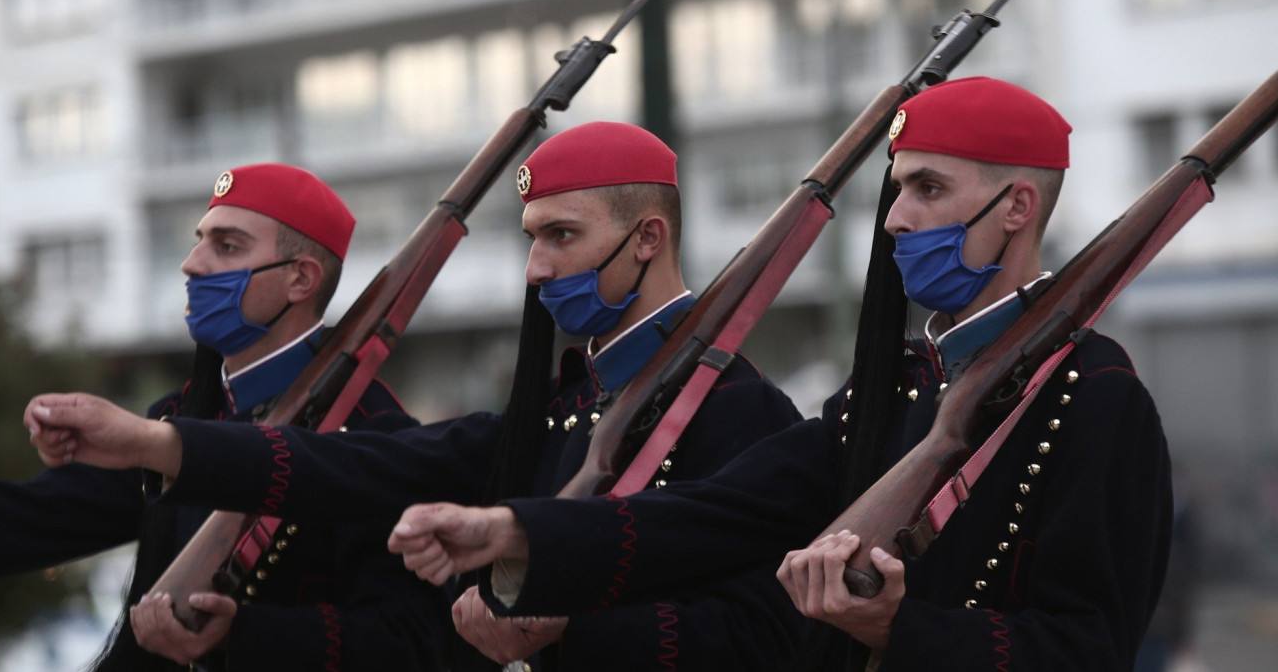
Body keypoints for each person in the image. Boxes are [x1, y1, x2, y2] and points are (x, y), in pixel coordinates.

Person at [386, 77, 1175, 671]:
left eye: (928, 188)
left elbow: (1090, 647)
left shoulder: (1097, 393)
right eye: (898, 189)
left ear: (1018, 206)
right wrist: (515, 531)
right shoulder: (891, 390)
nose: (896, 218)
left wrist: (899, 629)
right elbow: (719, 512)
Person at [25, 122, 815, 671]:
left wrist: (572, 634)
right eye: (531, 237)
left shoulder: (744, 413)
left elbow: (770, 638)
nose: (536, 267)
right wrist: (158, 446)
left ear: (649, 238)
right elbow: (357, 466)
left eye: (562, 235)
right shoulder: (558, 412)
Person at [0, 164, 448, 671]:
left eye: (226, 246)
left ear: (300, 279)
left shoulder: (375, 435)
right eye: (200, 241)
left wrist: (240, 637)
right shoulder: (182, 416)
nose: (192, 263)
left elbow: (407, 641)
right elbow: (24, 518)